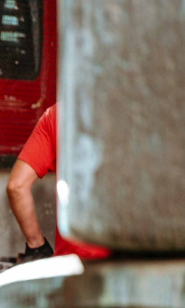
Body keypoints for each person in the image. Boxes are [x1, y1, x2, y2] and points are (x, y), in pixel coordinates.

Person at [6, 103, 111, 262]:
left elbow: (17, 186)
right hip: (131, 267)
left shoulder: (57, 114)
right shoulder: (141, 116)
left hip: (71, 266)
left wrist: (37, 246)